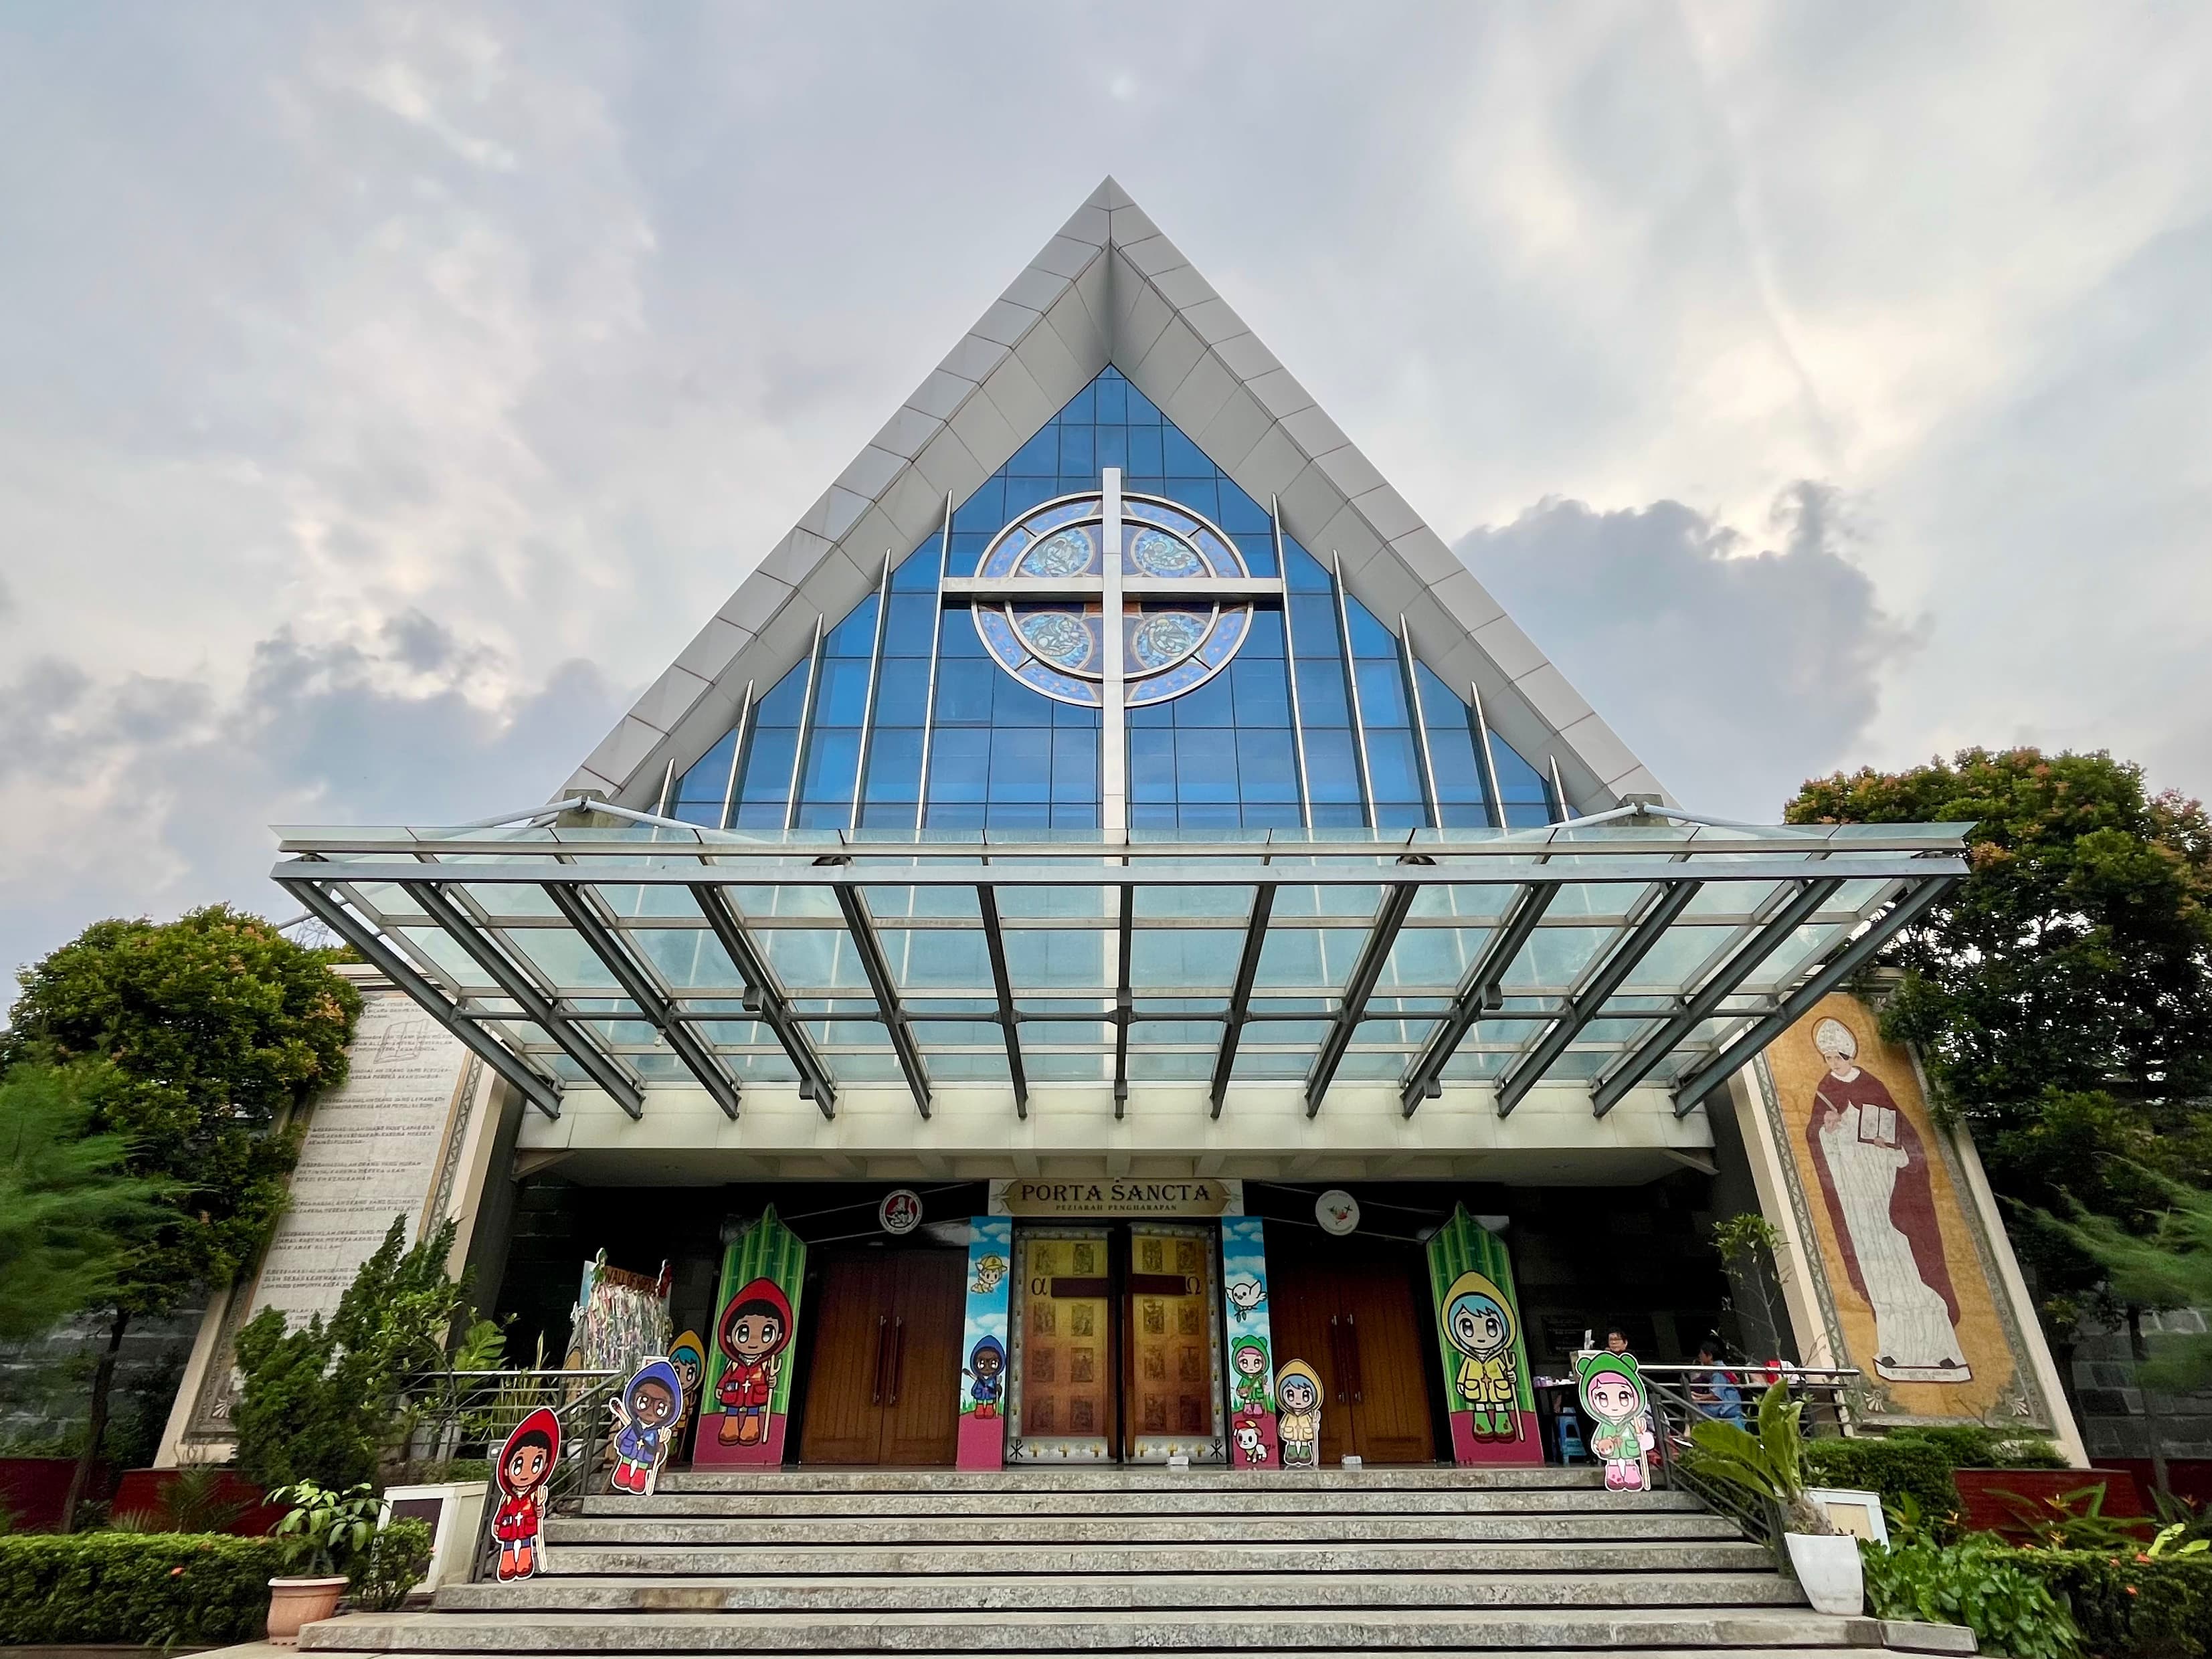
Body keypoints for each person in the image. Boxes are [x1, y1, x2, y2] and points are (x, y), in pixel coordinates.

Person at [1803, 1017, 1970, 1382]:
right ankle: (1893, 1349)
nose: (1833, 1064)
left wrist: (1886, 1145)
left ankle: (1942, 1350)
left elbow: (1906, 1142)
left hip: (1885, 1188)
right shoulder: (1825, 1088)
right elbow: (1817, 1139)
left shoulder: (1873, 1086)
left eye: (1837, 1057)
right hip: (1855, 1196)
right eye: (1827, 1058)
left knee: (1908, 1265)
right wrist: (1829, 1130)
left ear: (1849, 1055)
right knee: (1877, 1274)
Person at [1443, 1272, 1522, 1440]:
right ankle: (1481, 1425)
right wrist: (1461, 1384)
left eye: (1491, 1326)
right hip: (1476, 1388)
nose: (1480, 1336)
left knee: (1500, 1404)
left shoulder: (1498, 1358)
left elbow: (1507, 1371)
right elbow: (1463, 1373)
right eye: (1467, 1327)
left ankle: (1504, 1424)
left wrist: (1512, 1377)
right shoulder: (1470, 1360)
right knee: (1479, 1405)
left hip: (1497, 1387)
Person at [715, 1278, 794, 1446]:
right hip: (734, 1393)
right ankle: (729, 1428)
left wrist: (772, 1381)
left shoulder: (765, 1365)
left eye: (767, 1333)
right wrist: (721, 1387)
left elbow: (770, 1378)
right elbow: (727, 1375)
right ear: (729, 1336)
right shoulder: (735, 1364)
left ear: (779, 1337)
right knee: (732, 1410)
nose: (754, 1341)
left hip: (756, 1394)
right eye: (744, 1333)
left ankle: (751, 1430)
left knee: (753, 1411)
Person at [492, 1407, 559, 1580]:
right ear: (506, 1469)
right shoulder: (508, 1497)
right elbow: (502, 1509)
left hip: (526, 1526)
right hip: (510, 1525)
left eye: (536, 1464)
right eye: (518, 1465)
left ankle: (524, 1563)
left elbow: (538, 1509)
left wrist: (540, 1511)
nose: (525, 1473)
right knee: (508, 1546)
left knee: (525, 1544)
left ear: (545, 1467)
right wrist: (498, 1522)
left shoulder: (535, 1495)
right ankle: (507, 1565)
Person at [608, 1358, 682, 1493]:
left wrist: (661, 1444)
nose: (650, 1410)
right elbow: (624, 1431)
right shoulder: (635, 1425)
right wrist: (620, 1440)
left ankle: (639, 1479)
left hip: (645, 1456)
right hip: (629, 1450)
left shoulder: (654, 1433)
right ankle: (623, 1475)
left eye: (660, 1407)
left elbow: (659, 1450)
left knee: (642, 1468)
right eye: (644, 1401)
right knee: (625, 1465)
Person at [1275, 1360, 1323, 1468]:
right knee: (1291, 1446)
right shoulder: (1288, 1416)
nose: (1298, 1400)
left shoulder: (1309, 1416)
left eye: (1305, 1395)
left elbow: (1314, 1424)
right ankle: (1291, 1455)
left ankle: (1305, 1455)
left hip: (1305, 1437)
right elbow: (1282, 1425)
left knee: (1304, 1447)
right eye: (1291, 1394)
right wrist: (1282, 1430)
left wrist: (1315, 1426)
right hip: (1291, 1436)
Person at [1689, 1338, 1746, 1428]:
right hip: (1729, 1407)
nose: (1699, 1356)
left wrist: (1698, 1399)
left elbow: (1716, 1396)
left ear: (1709, 1356)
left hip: (1727, 1409)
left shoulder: (1718, 1372)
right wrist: (1697, 1396)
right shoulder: (1721, 1368)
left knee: (1693, 1410)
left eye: (1701, 1354)